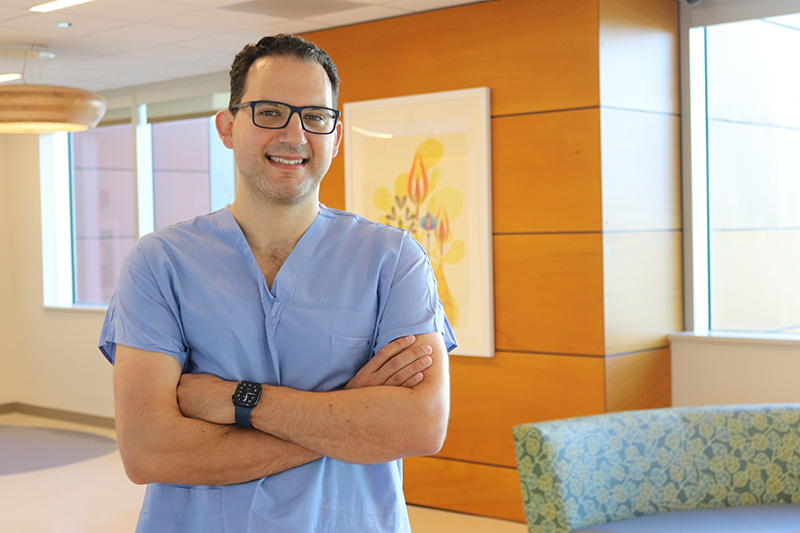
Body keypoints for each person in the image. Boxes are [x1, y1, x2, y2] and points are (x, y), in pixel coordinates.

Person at [99, 34, 456, 533]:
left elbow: (421, 426)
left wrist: (238, 400)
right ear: (227, 126)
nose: (294, 135)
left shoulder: (393, 260)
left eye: (315, 116)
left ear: (336, 136)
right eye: (269, 112)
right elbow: (148, 451)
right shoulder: (160, 263)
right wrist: (350, 415)